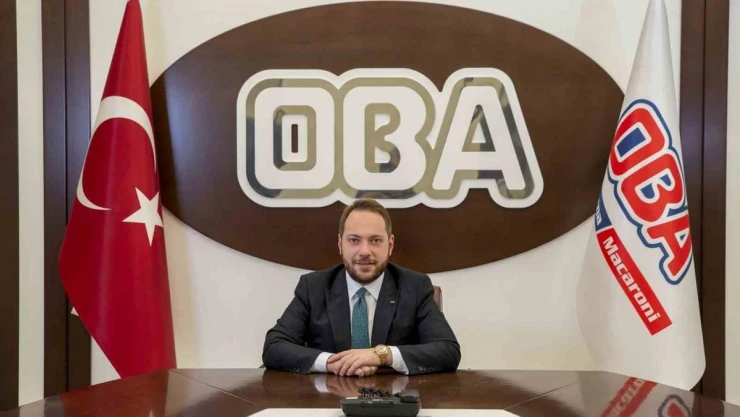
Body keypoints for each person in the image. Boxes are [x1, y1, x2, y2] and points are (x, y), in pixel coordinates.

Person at [262, 198, 461, 377]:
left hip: (392, 397)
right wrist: (332, 363)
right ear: (340, 244)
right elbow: (274, 346)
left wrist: (380, 355)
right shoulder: (313, 287)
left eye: (375, 240)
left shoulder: (415, 286)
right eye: (354, 240)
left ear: (390, 245)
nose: (364, 251)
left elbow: (448, 350)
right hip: (328, 397)